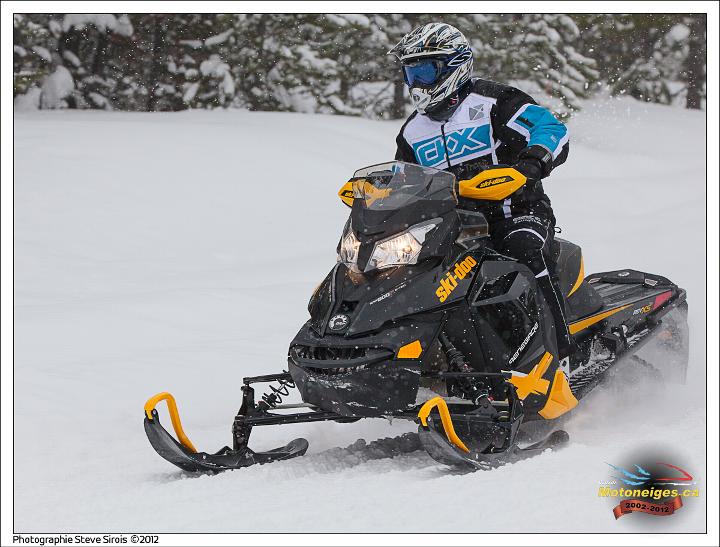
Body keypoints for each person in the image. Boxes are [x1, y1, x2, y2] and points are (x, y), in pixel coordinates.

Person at [389, 22, 574, 362]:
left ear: (454, 66)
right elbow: (406, 179)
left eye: (425, 71)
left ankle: (561, 354)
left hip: (516, 213)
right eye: (410, 73)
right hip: (453, 228)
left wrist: (531, 164)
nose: (417, 84)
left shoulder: (495, 101)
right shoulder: (413, 130)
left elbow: (551, 129)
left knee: (526, 250)